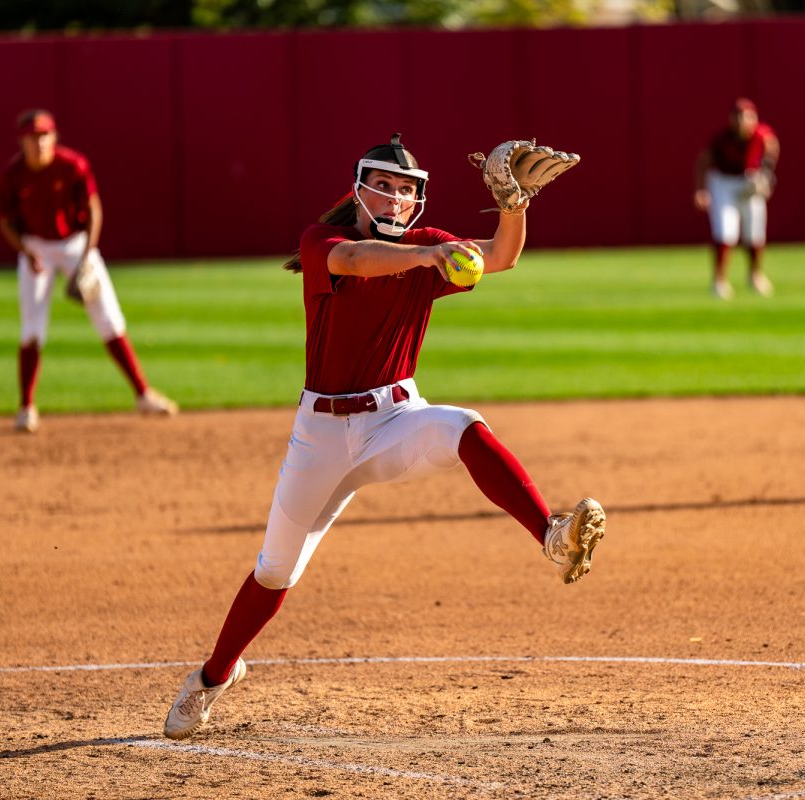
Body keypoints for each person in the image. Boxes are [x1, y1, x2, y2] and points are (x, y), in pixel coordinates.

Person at [162, 133, 607, 740]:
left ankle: (552, 536)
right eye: (385, 186)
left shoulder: (429, 245)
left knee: (462, 426)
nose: (396, 198)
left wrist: (514, 204)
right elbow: (354, 260)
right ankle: (211, 678)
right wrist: (428, 258)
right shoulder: (324, 242)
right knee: (275, 571)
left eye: (406, 190)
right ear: (359, 190)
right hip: (319, 436)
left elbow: (500, 256)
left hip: (395, 419)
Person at [0, 109, 178, 433]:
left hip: (76, 245)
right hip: (36, 247)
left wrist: (88, 254)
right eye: (31, 138)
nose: (38, 143)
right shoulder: (14, 174)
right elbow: (6, 222)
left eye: (44, 136)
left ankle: (143, 394)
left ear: (54, 137)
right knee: (32, 329)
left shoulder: (72, 165)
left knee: (109, 318)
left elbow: (93, 209)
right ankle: (26, 408)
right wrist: (25, 251)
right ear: (22, 142)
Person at [693, 98, 781, 300]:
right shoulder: (722, 139)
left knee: (755, 231)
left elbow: (773, 147)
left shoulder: (761, 135)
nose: (743, 120)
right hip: (724, 183)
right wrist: (700, 189)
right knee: (725, 231)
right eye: (738, 116)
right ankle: (719, 280)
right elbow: (703, 162)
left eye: (747, 116)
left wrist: (766, 172)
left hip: (749, 183)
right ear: (731, 119)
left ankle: (755, 275)